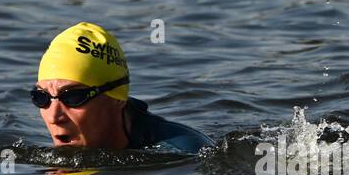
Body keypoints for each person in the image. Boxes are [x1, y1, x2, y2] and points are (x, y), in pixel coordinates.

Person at [30, 22, 213, 153]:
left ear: (116, 98)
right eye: (42, 97)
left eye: (73, 97)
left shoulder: (185, 151)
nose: (54, 117)